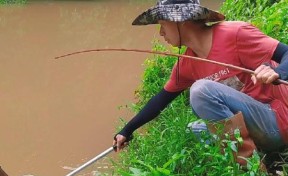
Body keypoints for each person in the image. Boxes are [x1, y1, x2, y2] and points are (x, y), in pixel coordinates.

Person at [113, 0, 288, 167]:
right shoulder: (187, 62)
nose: (161, 33)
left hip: (276, 122)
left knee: (200, 90)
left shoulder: (234, 33)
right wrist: (126, 131)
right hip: (254, 130)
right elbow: (161, 99)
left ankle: (250, 167)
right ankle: (257, 151)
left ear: (179, 21)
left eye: (163, 24)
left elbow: (286, 53)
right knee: (193, 129)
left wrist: (277, 72)